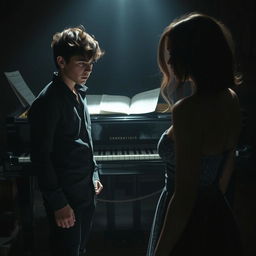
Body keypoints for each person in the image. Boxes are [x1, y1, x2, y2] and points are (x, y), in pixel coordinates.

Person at [147, 12, 243, 256]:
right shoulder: (229, 98)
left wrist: (160, 252)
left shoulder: (188, 111)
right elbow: (228, 164)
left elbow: (184, 198)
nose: (169, 63)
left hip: (185, 222)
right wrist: (212, 209)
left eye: (173, 54)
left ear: (193, 57)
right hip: (215, 212)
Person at [28, 25, 104, 256]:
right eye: (82, 63)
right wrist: (59, 203)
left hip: (84, 192)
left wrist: (94, 174)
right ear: (61, 62)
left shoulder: (78, 93)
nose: (89, 69)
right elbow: (41, 158)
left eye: (91, 63)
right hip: (66, 198)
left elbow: (84, 141)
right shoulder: (48, 102)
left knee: (79, 249)